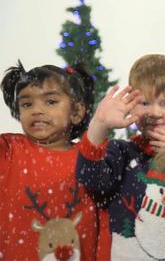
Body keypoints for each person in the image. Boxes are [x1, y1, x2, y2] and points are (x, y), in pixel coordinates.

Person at [76, 54, 165, 260]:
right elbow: (92, 180)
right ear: (131, 105)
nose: (154, 112)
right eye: (144, 102)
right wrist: (100, 124)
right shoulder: (121, 153)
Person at [0, 61, 99, 260]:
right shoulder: (8, 150)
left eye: (51, 101)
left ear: (77, 112)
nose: (36, 110)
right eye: (27, 104)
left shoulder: (90, 157)